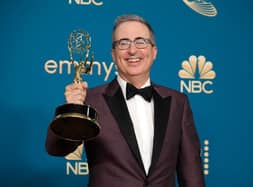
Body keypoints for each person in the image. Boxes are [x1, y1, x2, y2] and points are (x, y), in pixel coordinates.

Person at [46, 14, 205, 187]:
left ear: (154, 52)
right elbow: (56, 148)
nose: (132, 50)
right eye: (123, 43)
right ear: (113, 54)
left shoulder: (178, 102)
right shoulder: (90, 99)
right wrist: (72, 109)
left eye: (140, 42)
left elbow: (191, 171)